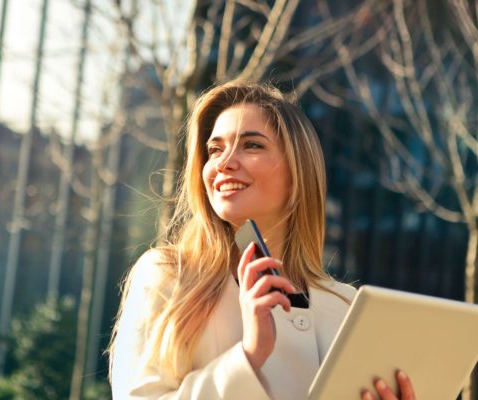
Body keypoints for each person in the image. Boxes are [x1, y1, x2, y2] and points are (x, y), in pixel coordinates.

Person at [107, 81, 415, 399]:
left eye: (251, 145)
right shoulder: (169, 275)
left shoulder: (345, 305)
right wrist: (249, 356)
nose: (224, 162)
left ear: (298, 171)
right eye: (214, 149)